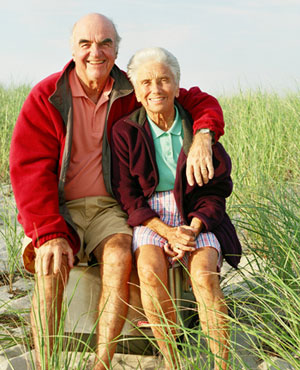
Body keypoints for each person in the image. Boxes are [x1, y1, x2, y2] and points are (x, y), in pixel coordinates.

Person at [9, 13, 226, 370]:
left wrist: (204, 134)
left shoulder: (132, 88)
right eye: (86, 44)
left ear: (116, 50)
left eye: (105, 44)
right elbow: (27, 170)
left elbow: (194, 99)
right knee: (50, 266)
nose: (96, 52)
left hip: (109, 207)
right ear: (73, 49)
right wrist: (47, 231)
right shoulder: (47, 95)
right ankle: (46, 362)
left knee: (118, 257)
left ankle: (102, 361)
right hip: (58, 207)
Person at [111, 47, 241, 370]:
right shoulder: (125, 131)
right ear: (136, 91)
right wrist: (166, 231)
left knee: (204, 276)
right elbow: (129, 197)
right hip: (152, 218)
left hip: (195, 214)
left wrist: (193, 228)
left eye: (164, 80)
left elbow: (216, 191)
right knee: (149, 273)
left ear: (177, 84)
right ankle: (173, 362)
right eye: (146, 83)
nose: (155, 89)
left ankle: (220, 365)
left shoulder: (197, 129)